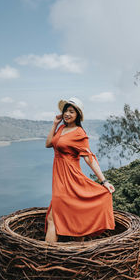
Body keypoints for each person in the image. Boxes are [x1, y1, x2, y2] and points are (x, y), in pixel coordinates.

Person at [45, 97, 115, 244]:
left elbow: (89, 159)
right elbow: (48, 144)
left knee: (54, 218)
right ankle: (54, 257)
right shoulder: (62, 128)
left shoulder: (79, 133)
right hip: (59, 177)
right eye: (66, 111)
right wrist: (55, 124)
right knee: (55, 218)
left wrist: (104, 181)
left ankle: (48, 257)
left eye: (71, 111)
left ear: (77, 115)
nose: (67, 114)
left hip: (71, 177)